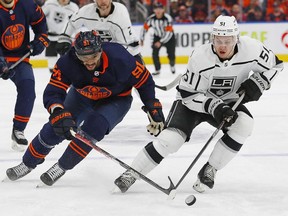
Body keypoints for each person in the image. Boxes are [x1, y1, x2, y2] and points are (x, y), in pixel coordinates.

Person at [114, 15, 284, 193]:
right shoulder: (200, 57)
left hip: (228, 101)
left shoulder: (252, 49)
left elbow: (276, 65)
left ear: (237, 38)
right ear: (212, 38)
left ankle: (210, 169)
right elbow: (188, 95)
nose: (223, 46)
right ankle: (132, 172)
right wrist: (215, 106)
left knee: (244, 124)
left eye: (228, 40)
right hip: (192, 103)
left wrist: (260, 82)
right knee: (171, 140)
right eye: (218, 40)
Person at [5, 30, 165, 187]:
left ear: (101, 50)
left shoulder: (120, 58)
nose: (89, 61)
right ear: (76, 53)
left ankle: (61, 167)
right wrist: (57, 110)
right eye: (83, 57)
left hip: (117, 99)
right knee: (57, 126)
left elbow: (144, 81)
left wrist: (152, 105)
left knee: (94, 127)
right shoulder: (67, 61)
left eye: (94, 56)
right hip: (81, 96)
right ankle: (27, 163)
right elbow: (54, 90)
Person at [0, 0, 49, 152]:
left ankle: (18, 130)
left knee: (28, 88)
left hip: (20, 58)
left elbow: (41, 27)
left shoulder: (27, 5)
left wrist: (40, 41)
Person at [55, 0, 142, 62]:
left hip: (130, 53)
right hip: (100, 55)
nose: (103, 1)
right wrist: (65, 38)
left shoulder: (120, 14)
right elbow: (72, 23)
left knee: (140, 84)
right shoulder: (86, 11)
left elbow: (125, 47)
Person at [42, 0, 79, 72]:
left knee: (66, 61)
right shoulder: (50, 3)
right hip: (50, 38)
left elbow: (76, 24)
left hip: (64, 39)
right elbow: (39, 17)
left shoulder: (74, 8)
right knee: (51, 63)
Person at [140, 2, 176, 75]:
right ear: (154, 10)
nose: (158, 10)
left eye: (160, 8)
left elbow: (169, 33)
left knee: (171, 54)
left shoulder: (167, 18)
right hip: (157, 36)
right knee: (154, 54)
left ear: (163, 10)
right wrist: (142, 38)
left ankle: (172, 65)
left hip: (169, 38)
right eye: (156, 8)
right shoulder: (151, 19)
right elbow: (144, 28)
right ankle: (157, 69)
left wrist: (161, 42)